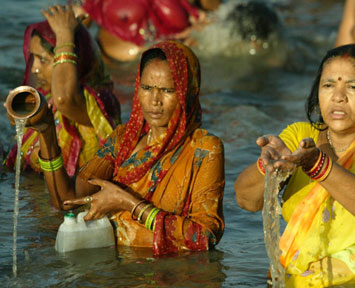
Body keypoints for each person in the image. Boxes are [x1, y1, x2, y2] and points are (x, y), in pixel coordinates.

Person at [234, 44, 355, 288]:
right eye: (328, 85)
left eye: (353, 87)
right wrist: (270, 165)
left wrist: (318, 166)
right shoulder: (300, 135)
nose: (338, 96)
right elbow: (245, 200)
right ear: (317, 94)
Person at [10, 40, 225, 255]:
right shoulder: (124, 139)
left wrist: (127, 202)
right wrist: (47, 133)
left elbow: (204, 238)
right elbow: (68, 200)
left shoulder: (203, 149)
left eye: (167, 90)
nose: (155, 101)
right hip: (116, 276)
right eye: (147, 88)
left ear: (188, 92)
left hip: (168, 276)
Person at [5, 5, 121, 177]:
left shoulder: (97, 101)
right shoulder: (46, 99)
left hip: (74, 200)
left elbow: (65, 99)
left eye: (43, 60)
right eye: (33, 58)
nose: (35, 69)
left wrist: (65, 35)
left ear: (73, 60)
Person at [75, 0, 216, 62]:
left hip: (179, 65)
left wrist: (199, 30)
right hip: (122, 71)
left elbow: (216, 20)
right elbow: (72, 28)